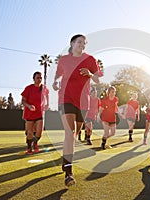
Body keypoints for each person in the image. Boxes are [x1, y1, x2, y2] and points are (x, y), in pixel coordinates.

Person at [52, 34, 101, 187]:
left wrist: (91, 74)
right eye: (79, 42)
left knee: (74, 134)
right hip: (65, 98)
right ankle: (69, 173)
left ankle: (65, 160)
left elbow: (98, 79)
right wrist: (55, 83)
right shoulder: (64, 60)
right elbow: (58, 76)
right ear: (72, 43)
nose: (82, 45)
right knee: (69, 133)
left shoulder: (90, 59)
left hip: (83, 102)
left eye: (84, 43)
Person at [21, 71, 49, 155]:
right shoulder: (28, 88)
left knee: (39, 132)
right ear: (33, 79)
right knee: (29, 133)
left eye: (41, 78)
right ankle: (29, 147)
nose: (39, 79)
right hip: (29, 114)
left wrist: (47, 104)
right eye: (38, 78)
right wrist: (29, 106)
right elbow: (23, 101)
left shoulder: (44, 88)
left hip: (40, 113)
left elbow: (47, 96)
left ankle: (35, 143)